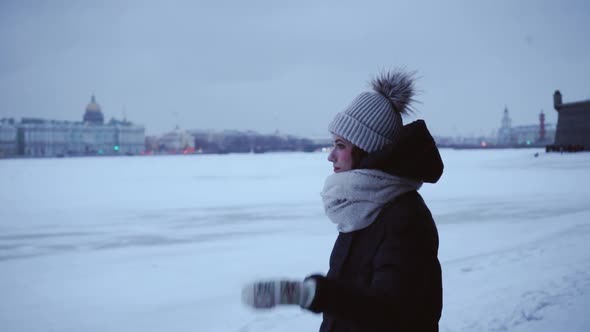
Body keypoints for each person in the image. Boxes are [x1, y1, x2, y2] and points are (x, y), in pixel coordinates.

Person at [242, 69, 444, 332]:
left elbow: (396, 314)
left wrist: (312, 294)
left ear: (367, 148)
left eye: (340, 145)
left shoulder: (404, 217)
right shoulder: (361, 207)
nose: (331, 156)